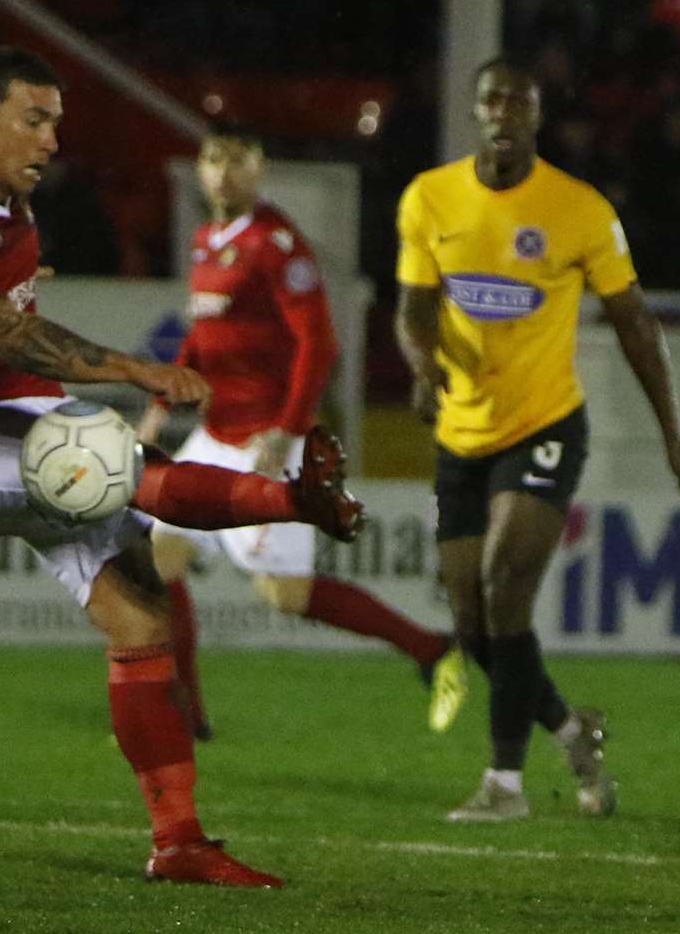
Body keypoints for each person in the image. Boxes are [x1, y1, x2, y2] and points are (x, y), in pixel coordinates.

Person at [0, 45, 365, 889]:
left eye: (57, 120)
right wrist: (136, 369)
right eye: (36, 119)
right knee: (113, 463)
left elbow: (8, 309)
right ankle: (291, 498)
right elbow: (8, 334)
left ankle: (178, 844)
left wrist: (17, 284)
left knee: (142, 617)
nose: (54, 137)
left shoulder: (7, 201)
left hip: (16, 410)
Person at [394, 58, 680, 822]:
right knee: (472, 628)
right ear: (475, 113)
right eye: (491, 99)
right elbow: (413, 308)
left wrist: (673, 432)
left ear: (536, 118)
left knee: (506, 583)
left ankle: (504, 784)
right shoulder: (430, 198)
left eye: (519, 103)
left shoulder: (579, 210)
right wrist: (423, 365)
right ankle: (573, 730)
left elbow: (634, 321)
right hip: (462, 434)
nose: (504, 113)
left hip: (546, 426)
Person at [138, 122, 466, 741]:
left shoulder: (278, 244)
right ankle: (186, 712)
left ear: (259, 168)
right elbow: (203, 337)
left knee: (285, 594)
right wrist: (162, 399)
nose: (224, 172)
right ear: (201, 169)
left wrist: (287, 433)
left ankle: (431, 648)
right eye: (214, 159)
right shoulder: (208, 239)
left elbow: (319, 345)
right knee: (159, 557)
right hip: (215, 435)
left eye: (238, 160)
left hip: (268, 438)